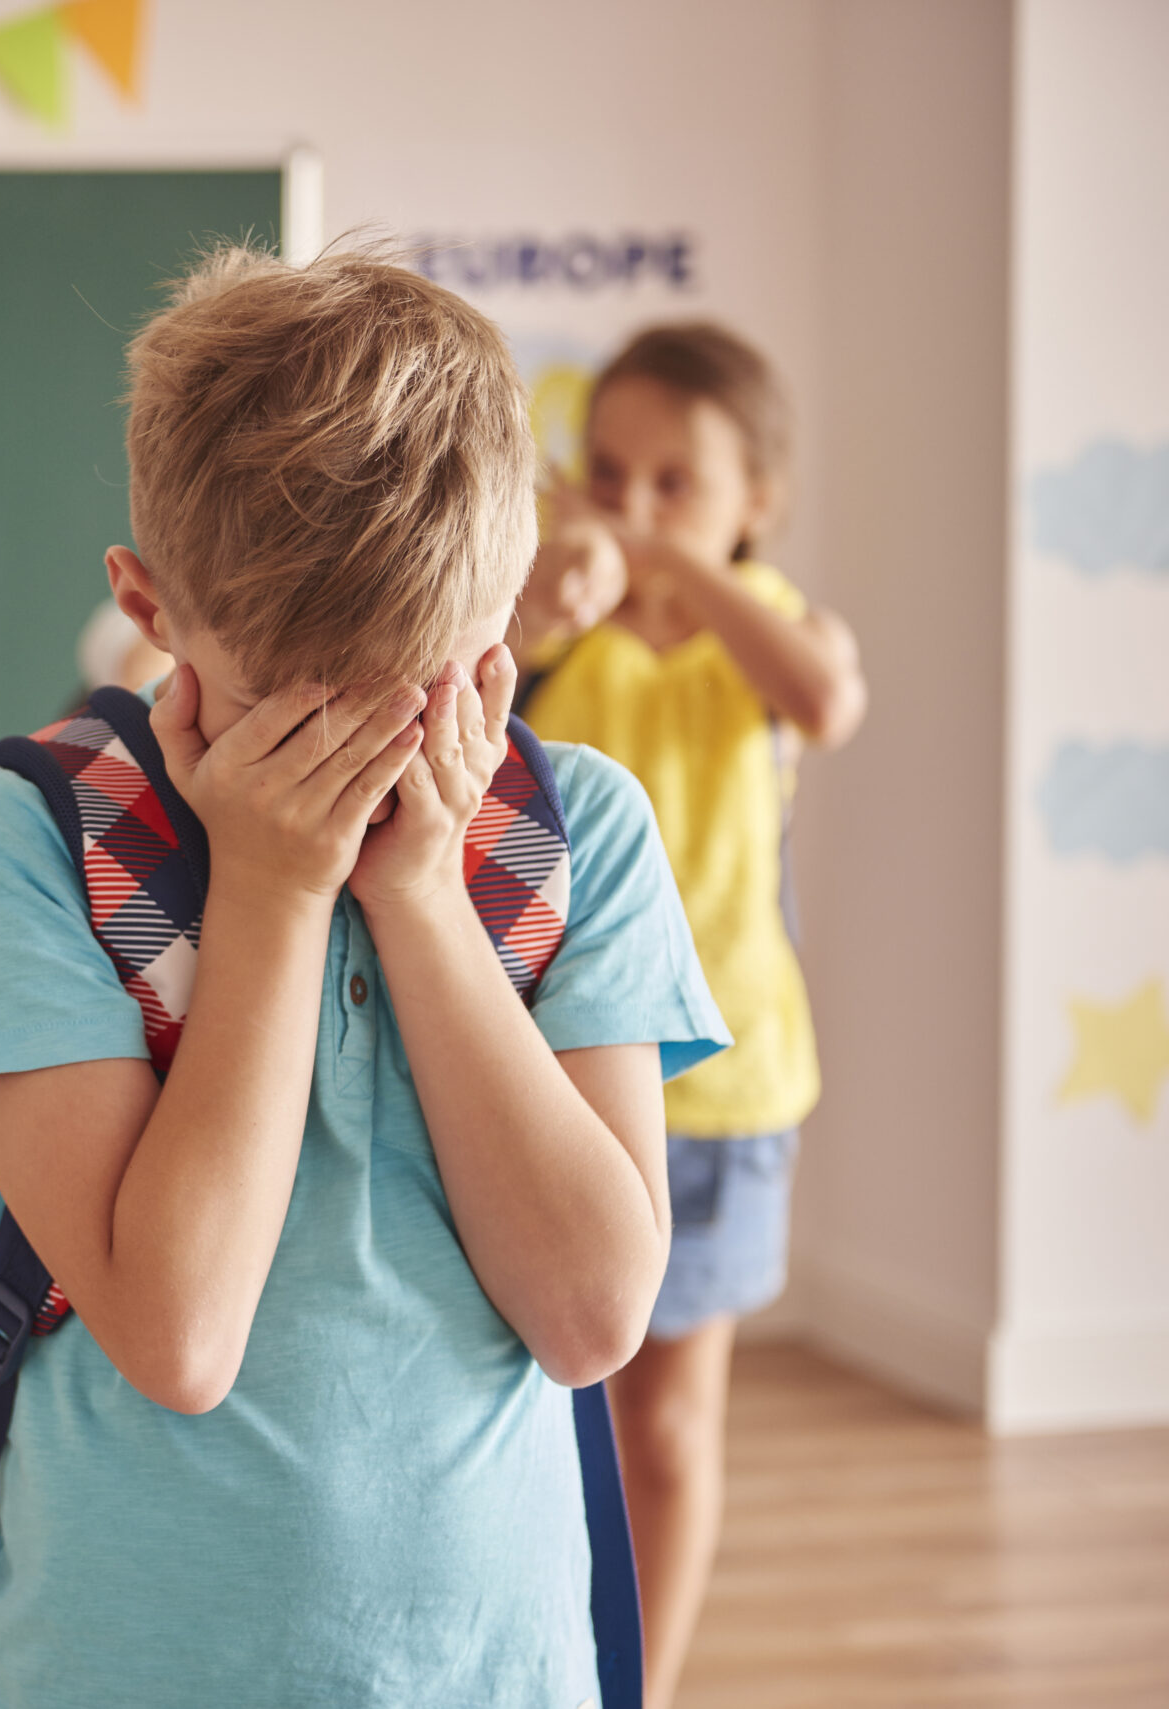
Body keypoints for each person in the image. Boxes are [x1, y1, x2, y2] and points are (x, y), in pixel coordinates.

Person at [0, 247, 730, 1705]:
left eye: (422, 687)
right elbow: (180, 1333)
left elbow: (591, 1318)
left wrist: (418, 896)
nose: (369, 761)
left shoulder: (580, 831)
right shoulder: (10, 845)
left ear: (510, 596)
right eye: (292, 706)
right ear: (148, 604)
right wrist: (269, 894)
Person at [516, 322, 866, 1707]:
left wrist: (668, 567)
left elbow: (827, 697)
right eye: (612, 473)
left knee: (668, 1424)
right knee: (558, 1411)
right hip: (555, 1081)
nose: (639, 505)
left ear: (757, 501)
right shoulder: (566, 630)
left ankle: (640, 1687)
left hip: (722, 1088)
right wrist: (562, 598)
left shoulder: (779, 628)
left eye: (680, 482)